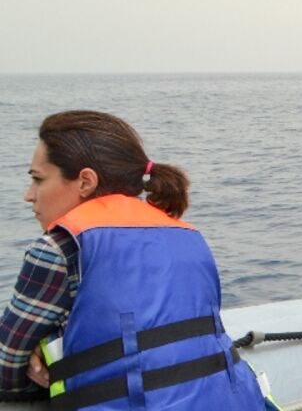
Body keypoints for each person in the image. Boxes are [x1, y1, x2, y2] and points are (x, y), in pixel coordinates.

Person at [0, 110, 276, 409]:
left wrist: (42, 357)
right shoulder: (189, 237)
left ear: (85, 181)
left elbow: (6, 366)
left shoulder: (61, 247)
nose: (29, 195)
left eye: (38, 179)